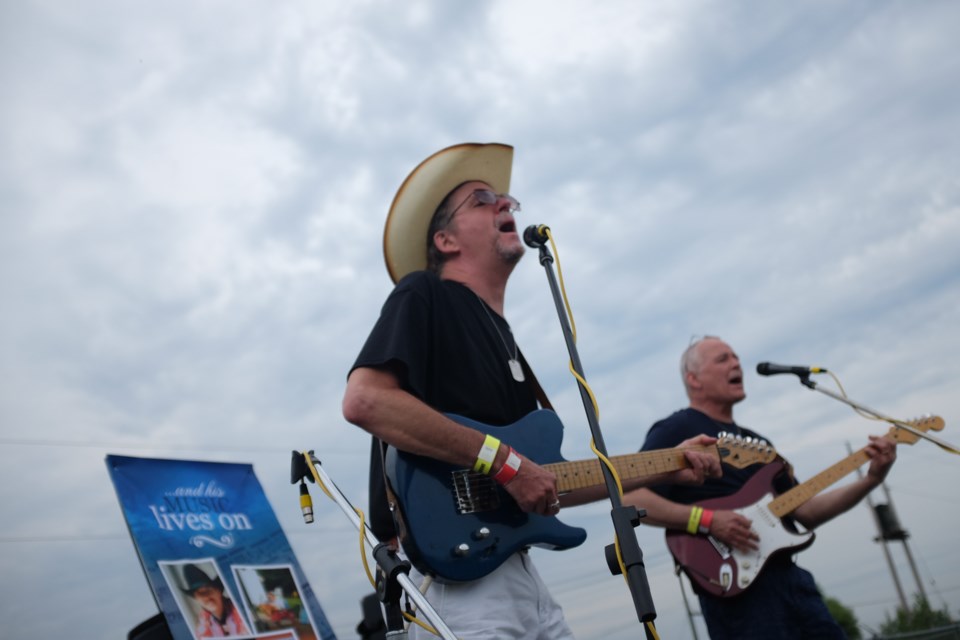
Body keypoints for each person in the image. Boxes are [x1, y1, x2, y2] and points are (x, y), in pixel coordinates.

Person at [341, 142, 722, 639]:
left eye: (506, 198)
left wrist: (673, 461)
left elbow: (546, 481)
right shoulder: (425, 294)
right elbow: (365, 400)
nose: (506, 203)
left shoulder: (505, 341)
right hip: (457, 589)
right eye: (482, 200)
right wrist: (506, 463)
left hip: (517, 577)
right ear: (445, 241)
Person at [625, 336, 898, 639]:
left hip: (790, 579)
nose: (736, 363)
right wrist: (707, 520)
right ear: (694, 379)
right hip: (735, 591)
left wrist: (871, 479)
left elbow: (805, 511)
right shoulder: (677, 429)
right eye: (722, 359)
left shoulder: (758, 445)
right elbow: (631, 495)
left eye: (736, 357)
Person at [180, 563, 251, 638]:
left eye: (209, 591)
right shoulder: (202, 626)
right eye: (201, 595)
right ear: (196, 599)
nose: (207, 597)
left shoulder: (242, 609)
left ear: (219, 591)